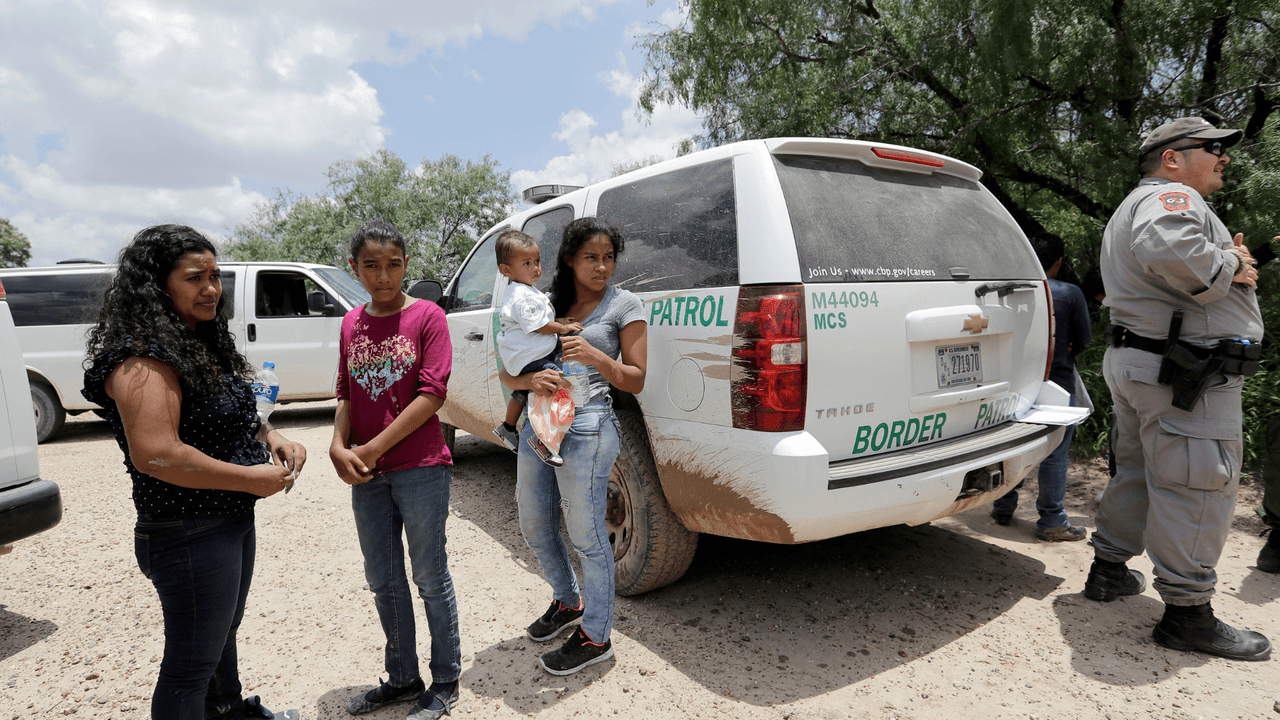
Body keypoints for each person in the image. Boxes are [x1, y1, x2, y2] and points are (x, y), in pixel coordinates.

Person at [82, 224, 304, 720]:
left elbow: (230, 421)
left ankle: (228, 711)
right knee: (190, 666)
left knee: (221, 637)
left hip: (225, 520)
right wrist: (251, 479)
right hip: (187, 530)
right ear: (158, 287)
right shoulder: (143, 359)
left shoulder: (196, 342)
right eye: (194, 278)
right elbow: (157, 454)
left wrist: (274, 438)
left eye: (214, 276)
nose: (211, 288)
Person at [1086, 116, 1270, 661]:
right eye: (1213, 148)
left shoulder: (1136, 203)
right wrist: (1230, 262)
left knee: (1139, 471)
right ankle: (1187, 615)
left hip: (1145, 363)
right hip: (1183, 376)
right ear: (1172, 158)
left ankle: (1108, 570)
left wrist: (1226, 265)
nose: (1224, 157)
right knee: (1195, 483)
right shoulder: (1172, 199)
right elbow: (1173, 252)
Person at [500, 217, 647, 676]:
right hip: (538, 422)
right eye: (591, 257)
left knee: (587, 537)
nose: (602, 266)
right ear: (569, 259)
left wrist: (598, 356)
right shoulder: (544, 304)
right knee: (534, 521)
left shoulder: (625, 305)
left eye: (608, 258)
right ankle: (568, 602)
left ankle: (597, 635)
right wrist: (529, 379)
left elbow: (637, 379)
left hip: (587, 427)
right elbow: (506, 372)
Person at [330, 219, 463, 720]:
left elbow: (432, 393)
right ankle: (404, 677)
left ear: (406, 265)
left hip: (420, 467)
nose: (383, 276)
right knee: (382, 579)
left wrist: (372, 447)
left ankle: (445, 681)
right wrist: (338, 446)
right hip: (367, 474)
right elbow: (345, 390)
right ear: (355, 269)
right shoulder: (350, 322)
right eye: (371, 266)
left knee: (429, 575)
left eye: (393, 265)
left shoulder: (427, 316)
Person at [991, 235, 1091, 541]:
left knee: (1014, 444)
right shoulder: (1069, 293)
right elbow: (1084, 339)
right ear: (1058, 262)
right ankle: (1051, 520)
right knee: (1056, 452)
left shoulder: (1005, 291)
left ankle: (1003, 504)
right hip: (1058, 382)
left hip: (1013, 383)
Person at [490, 229, 584, 466]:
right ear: (506, 270)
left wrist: (558, 322)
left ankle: (508, 427)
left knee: (522, 391)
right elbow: (536, 325)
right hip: (532, 356)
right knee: (554, 385)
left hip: (523, 357)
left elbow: (538, 319)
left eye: (538, 261)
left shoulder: (523, 291)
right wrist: (561, 329)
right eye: (527, 263)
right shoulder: (522, 295)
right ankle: (545, 440)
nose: (536, 268)